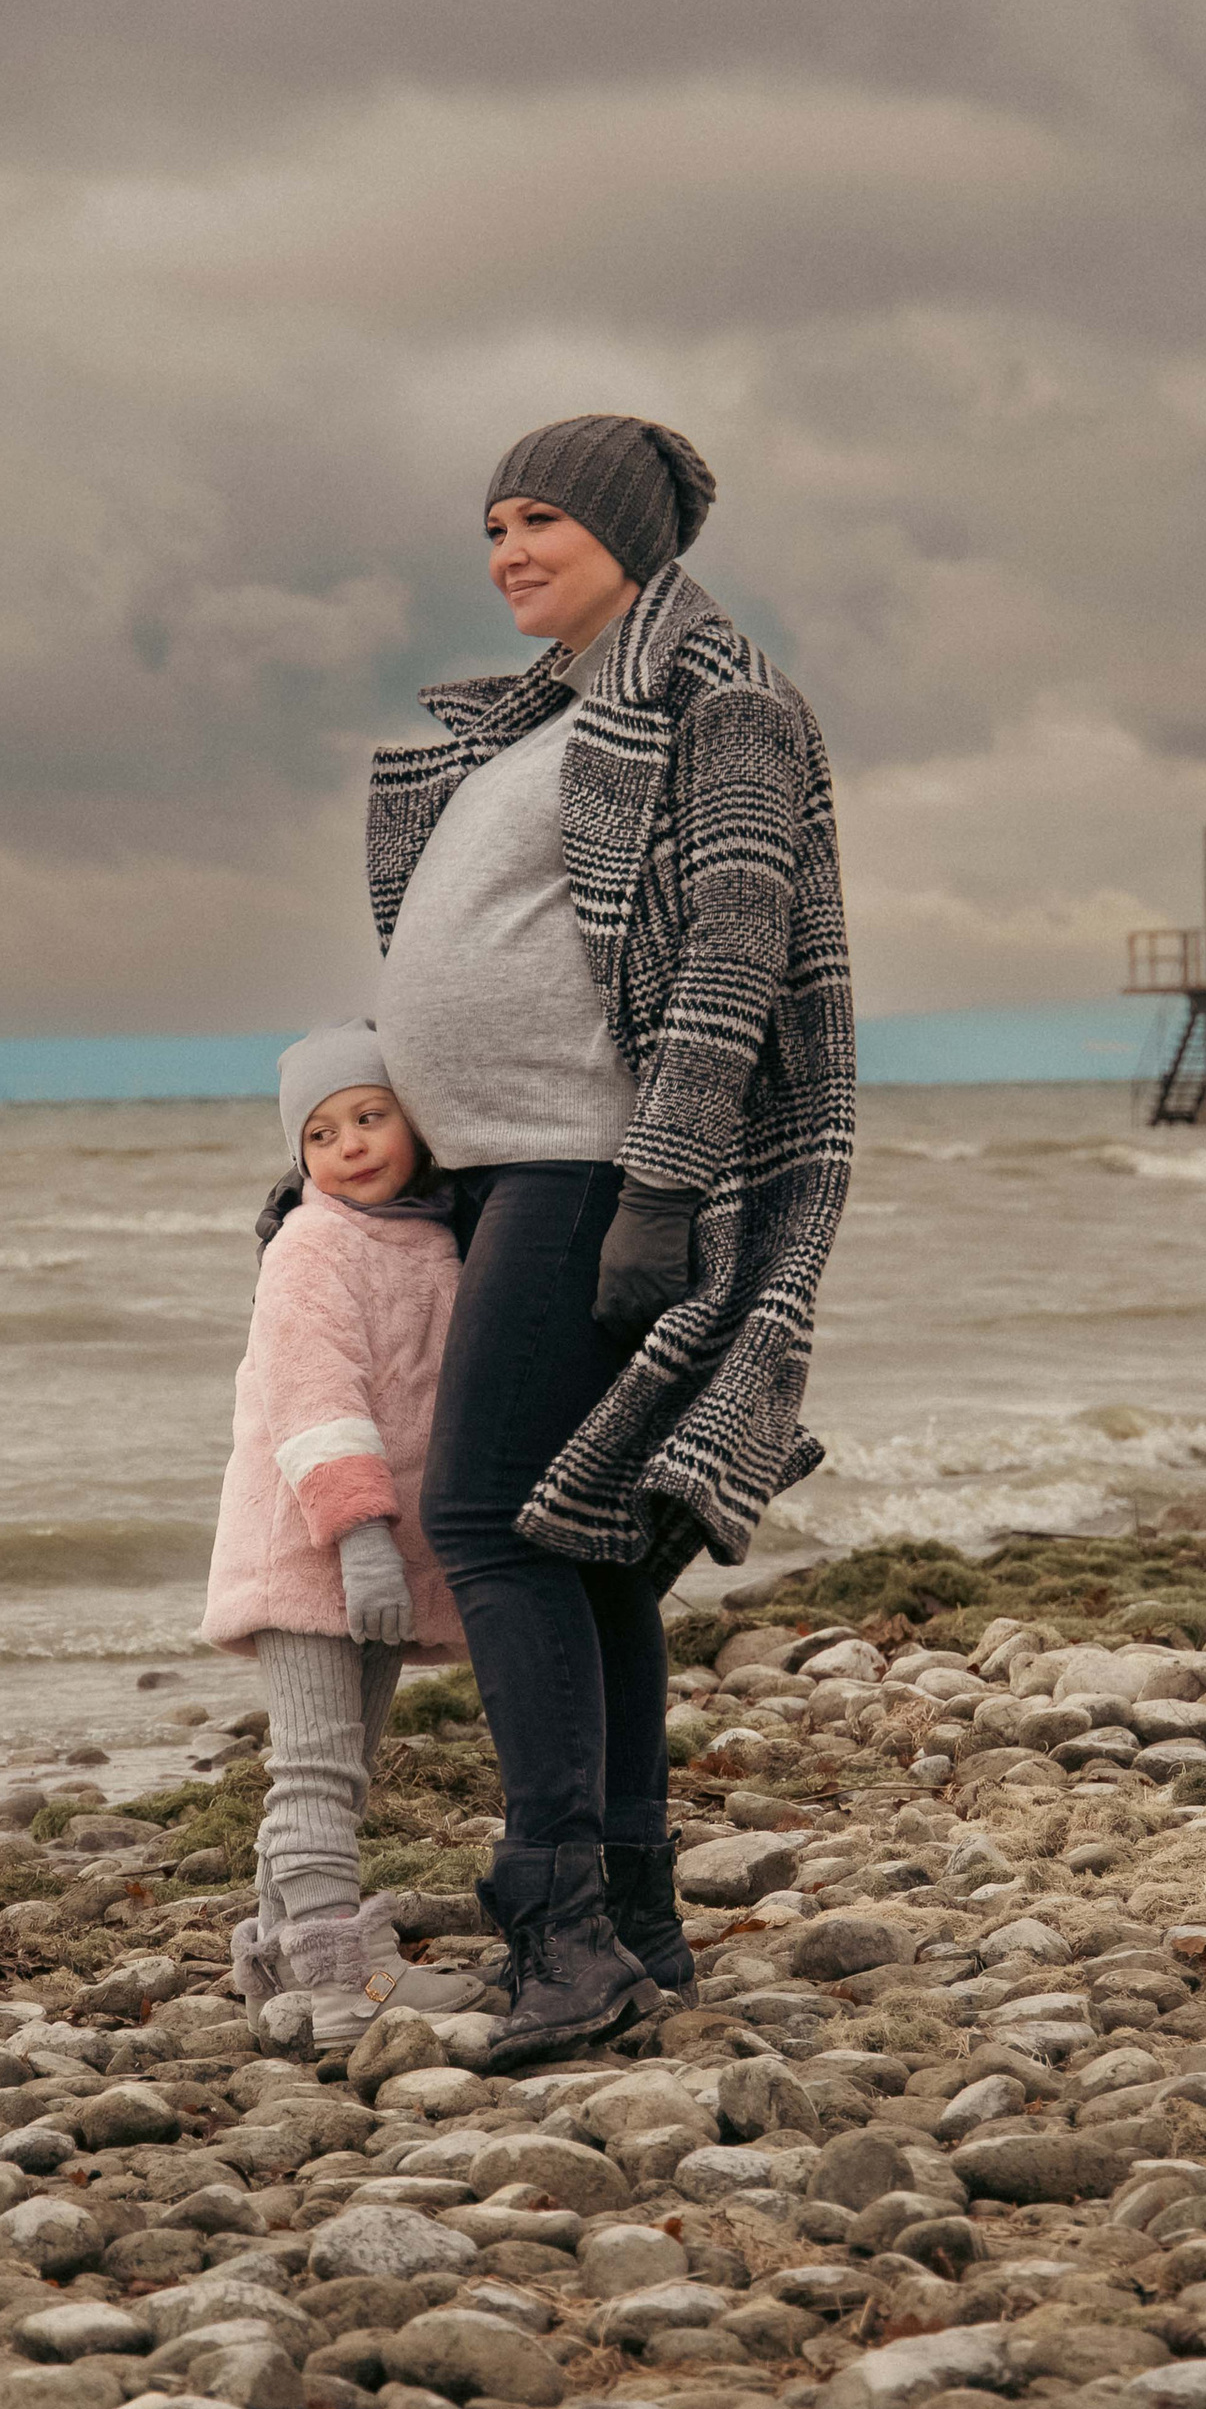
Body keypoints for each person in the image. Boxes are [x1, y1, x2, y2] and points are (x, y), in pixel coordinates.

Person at [371, 412, 855, 2066]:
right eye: (494, 523)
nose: (508, 550)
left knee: (487, 1521)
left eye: (543, 524)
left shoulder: (716, 697)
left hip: (593, 1167)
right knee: (579, 1542)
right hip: (506, 1168)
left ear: (632, 540)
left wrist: (665, 1185)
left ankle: (558, 1924)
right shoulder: (551, 715)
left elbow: (735, 946)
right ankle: (634, 1923)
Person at [199, 1024, 484, 2048]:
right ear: (300, 1158)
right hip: (312, 1546)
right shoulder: (313, 1247)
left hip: (374, 1556)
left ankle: (277, 1967)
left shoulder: (427, 1237)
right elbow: (314, 1399)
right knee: (317, 1768)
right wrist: (361, 1537)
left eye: (370, 1116)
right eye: (322, 1134)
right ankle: (339, 1988)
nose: (352, 1144)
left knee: (343, 1765)